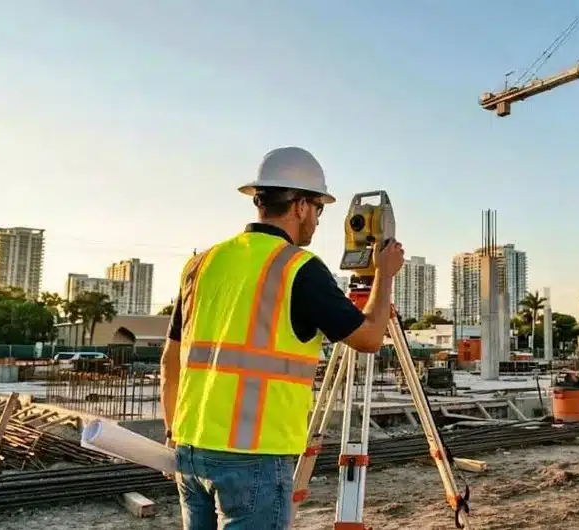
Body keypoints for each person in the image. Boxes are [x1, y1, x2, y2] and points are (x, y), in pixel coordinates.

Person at [159, 146, 405, 529]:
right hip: (255, 456)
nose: (319, 221)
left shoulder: (201, 263)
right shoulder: (297, 268)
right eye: (319, 210)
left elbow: (170, 360)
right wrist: (385, 274)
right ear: (302, 206)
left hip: (190, 450)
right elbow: (370, 337)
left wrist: (173, 432)